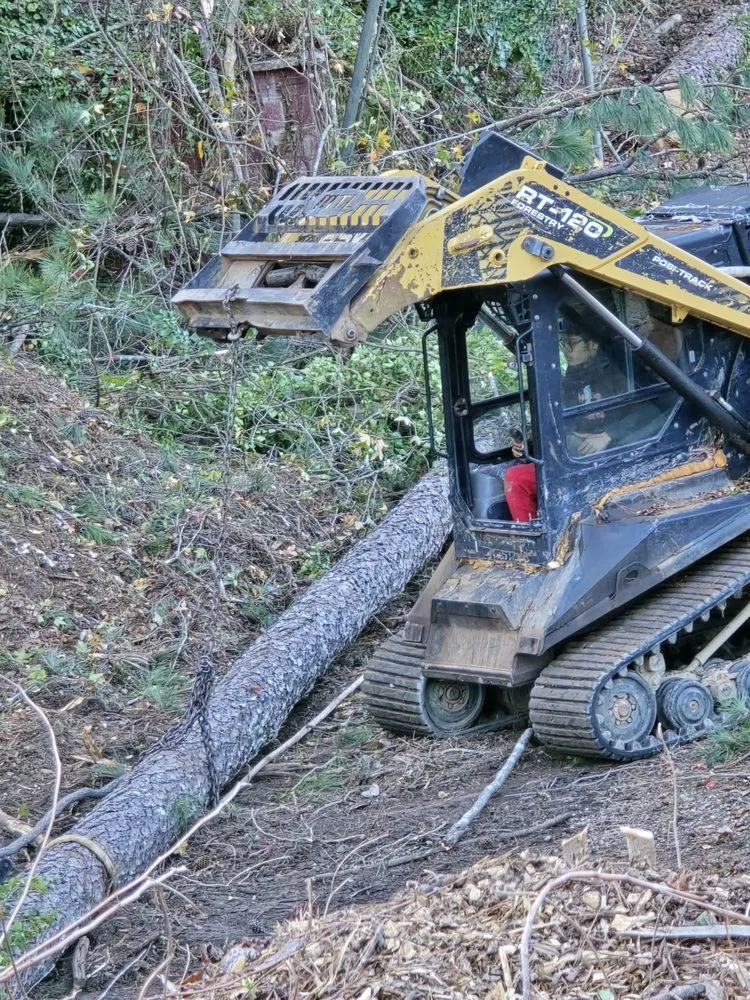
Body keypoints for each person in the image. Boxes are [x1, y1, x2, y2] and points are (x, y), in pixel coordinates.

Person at [503, 326, 627, 521]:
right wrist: (530, 440)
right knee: (516, 478)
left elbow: (649, 412)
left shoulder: (618, 375)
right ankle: (534, 542)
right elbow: (556, 421)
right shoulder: (568, 380)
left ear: (592, 345)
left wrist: (607, 435)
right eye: (563, 344)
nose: (566, 350)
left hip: (613, 459)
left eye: (572, 343)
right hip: (571, 459)